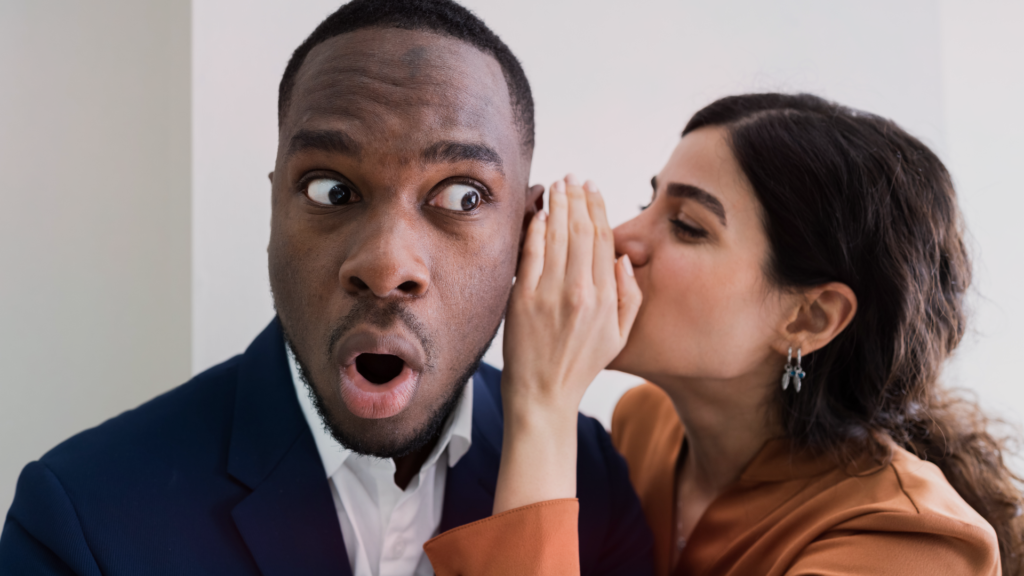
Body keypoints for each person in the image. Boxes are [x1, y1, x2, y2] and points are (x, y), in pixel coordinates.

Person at [0, 1, 655, 574]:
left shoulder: (589, 481)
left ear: (529, 233)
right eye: (331, 190)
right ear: (275, 209)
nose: (387, 264)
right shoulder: (81, 517)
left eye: (462, 195)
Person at [424, 93, 1024, 575]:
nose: (622, 238)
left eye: (688, 226)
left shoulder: (915, 545)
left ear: (810, 318)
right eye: (648, 202)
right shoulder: (644, 429)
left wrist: (543, 404)